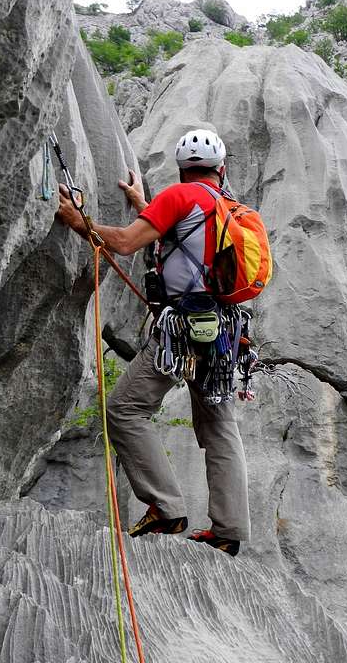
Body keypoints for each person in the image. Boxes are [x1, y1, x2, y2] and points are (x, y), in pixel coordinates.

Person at [54, 128, 249, 556]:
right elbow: (184, 238)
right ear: (222, 169)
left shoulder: (180, 197)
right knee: (219, 428)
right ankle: (228, 530)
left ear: (182, 170)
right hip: (222, 335)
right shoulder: (227, 206)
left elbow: (123, 243)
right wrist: (145, 205)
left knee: (124, 409)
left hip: (180, 332)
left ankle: (165, 507)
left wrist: (77, 221)